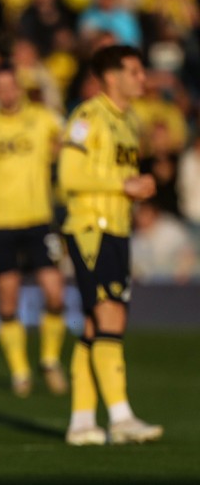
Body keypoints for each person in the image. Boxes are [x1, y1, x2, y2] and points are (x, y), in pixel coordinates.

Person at [58, 45, 163, 446]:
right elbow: (69, 175)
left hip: (116, 229)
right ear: (111, 76)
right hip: (91, 229)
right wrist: (123, 185)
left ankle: (82, 421)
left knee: (93, 324)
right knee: (110, 318)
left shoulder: (126, 122)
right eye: (134, 71)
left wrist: (134, 189)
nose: (142, 78)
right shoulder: (88, 117)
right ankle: (120, 417)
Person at [0, 65, 69, 398]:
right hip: (0, 221)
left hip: (39, 218)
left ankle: (50, 360)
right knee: (7, 301)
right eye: (2, 88)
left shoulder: (44, 119)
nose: (8, 93)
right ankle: (20, 371)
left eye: (12, 86)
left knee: (55, 293)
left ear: (20, 88)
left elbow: (67, 148)